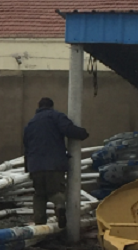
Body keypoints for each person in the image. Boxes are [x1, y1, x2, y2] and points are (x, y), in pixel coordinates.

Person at [23, 97, 89, 227]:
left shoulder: (30, 123)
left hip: (35, 166)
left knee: (39, 194)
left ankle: (39, 223)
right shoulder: (56, 116)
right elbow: (68, 129)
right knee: (55, 191)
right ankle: (59, 207)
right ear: (51, 106)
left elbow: (26, 146)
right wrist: (83, 133)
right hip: (54, 164)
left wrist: (28, 167)